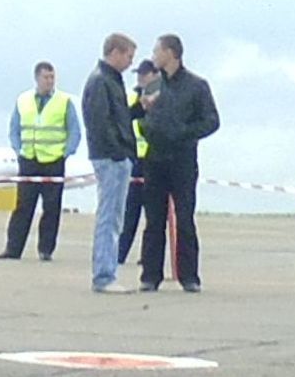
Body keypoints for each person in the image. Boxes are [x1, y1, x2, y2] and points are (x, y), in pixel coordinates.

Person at [137, 33, 221, 294]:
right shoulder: (152, 85)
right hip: (155, 159)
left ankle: (189, 276)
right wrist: (147, 127)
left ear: (171, 53)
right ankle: (150, 276)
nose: (153, 56)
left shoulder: (197, 86)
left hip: (183, 159)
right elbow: (139, 116)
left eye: (157, 51)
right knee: (154, 220)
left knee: (184, 218)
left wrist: (183, 132)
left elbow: (211, 121)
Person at [0, 62, 78, 262]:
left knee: (51, 207)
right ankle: (13, 249)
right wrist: (18, 150)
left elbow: (74, 130)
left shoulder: (64, 101)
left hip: (53, 161)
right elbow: (14, 127)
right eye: (46, 77)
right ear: (37, 78)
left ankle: (45, 250)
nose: (49, 81)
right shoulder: (23, 100)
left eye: (52, 77)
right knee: (23, 206)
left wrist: (66, 153)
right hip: (29, 159)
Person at [79, 33, 139, 293]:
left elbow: (120, 116)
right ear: (115, 52)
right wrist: (119, 152)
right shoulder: (101, 81)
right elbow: (101, 123)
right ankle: (104, 275)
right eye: (128, 56)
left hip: (115, 156)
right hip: (110, 158)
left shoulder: (111, 81)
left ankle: (107, 271)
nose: (129, 62)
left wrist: (140, 109)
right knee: (109, 217)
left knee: (114, 216)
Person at [117, 59, 158, 265]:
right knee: (129, 211)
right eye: (139, 74)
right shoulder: (131, 97)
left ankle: (148, 257)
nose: (140, 78)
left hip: (155, 159)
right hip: (134, 160)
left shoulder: (162, 96)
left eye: (145, 74)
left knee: (153, 213)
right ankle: (120, 255)